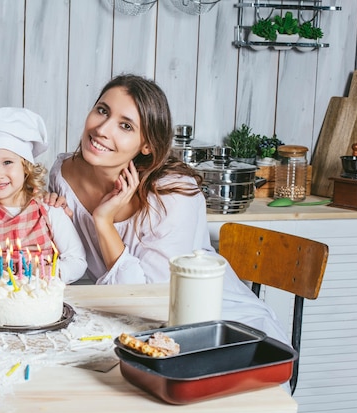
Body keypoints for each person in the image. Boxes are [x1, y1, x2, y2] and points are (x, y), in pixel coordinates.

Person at [49, 74, 288, 342]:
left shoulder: (172, 195)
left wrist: (103, 222)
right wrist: (49, 216)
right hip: (120, 320)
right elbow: (68, 257)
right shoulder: (63, 173)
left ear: (147, 145)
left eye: (126, 126)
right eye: (102, 111)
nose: (103, 129)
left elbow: (148, 301)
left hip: (213, 324)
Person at [0, 107, 87, 283]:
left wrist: (50, 273)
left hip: (39, 297)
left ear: (26, 167)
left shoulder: (49, 210)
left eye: (7, 162)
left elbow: (77, 261)